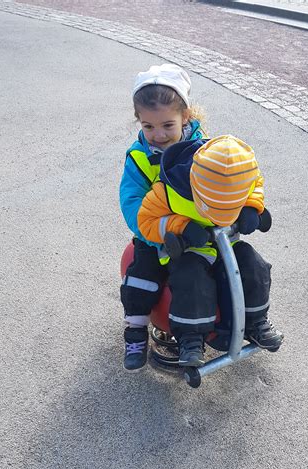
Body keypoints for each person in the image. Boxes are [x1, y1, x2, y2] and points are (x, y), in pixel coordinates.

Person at [132, 134, 284, 368]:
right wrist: (181, 227)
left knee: (254, 264)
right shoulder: (169, 190)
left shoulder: (240, 175)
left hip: (226, 244)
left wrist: (252, 207)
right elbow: (146, 221)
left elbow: (256, 185)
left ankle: (256, 321)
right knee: (191, 278)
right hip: (190, 248)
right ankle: (190, 339)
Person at [119, 63, 206, 371]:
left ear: (186, 116)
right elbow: (132, 203)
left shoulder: (204, 149)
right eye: (148, 126)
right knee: (142, 276)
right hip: (154, 233)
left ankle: (210, 329)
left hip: (198, 233)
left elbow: (224, 181)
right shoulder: (139, 157)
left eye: (168, 125)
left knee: (213, 273)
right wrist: (161, 230)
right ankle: (135, 331)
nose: (158, 135)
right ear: (139, 122)